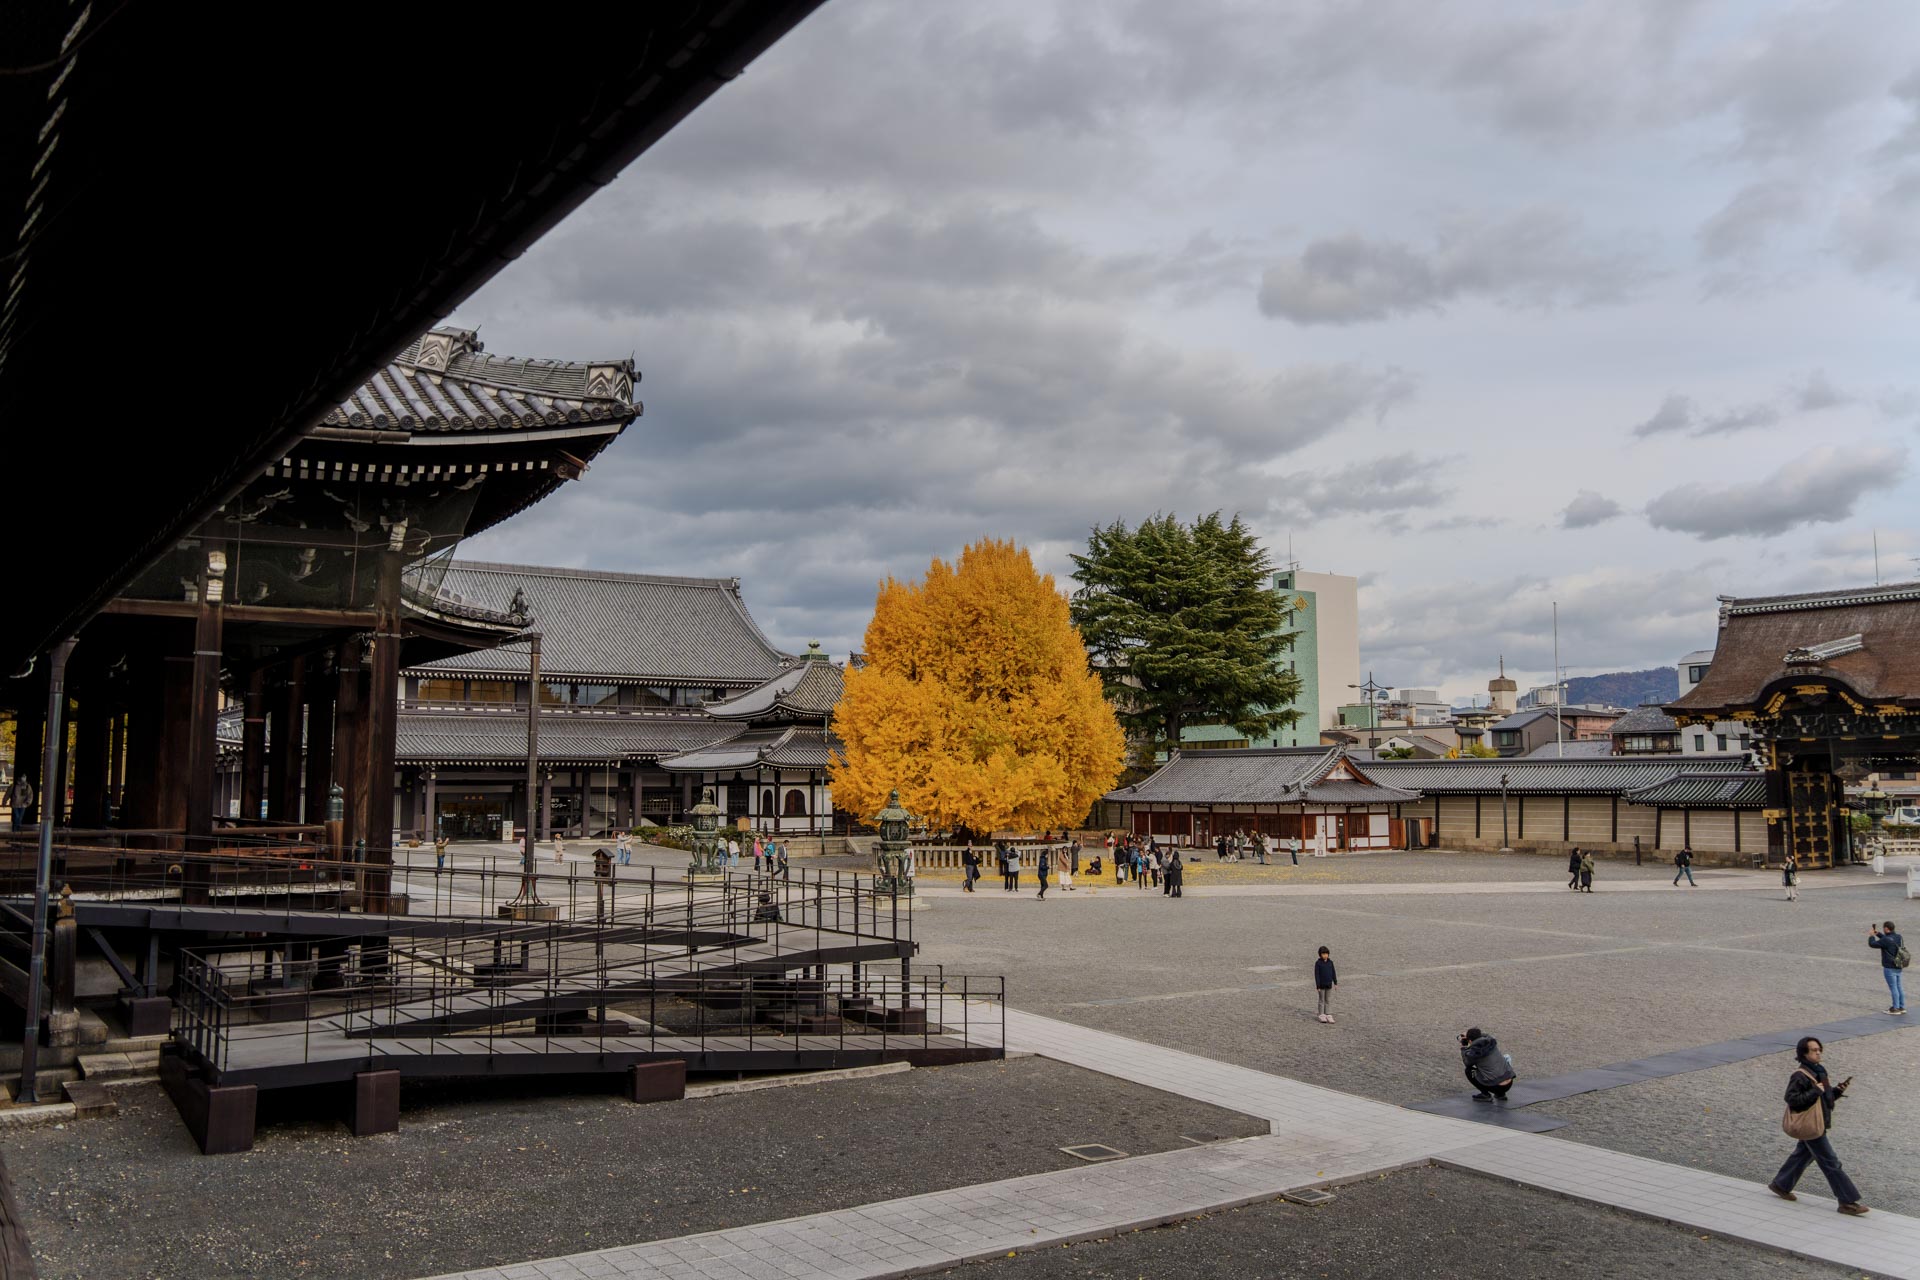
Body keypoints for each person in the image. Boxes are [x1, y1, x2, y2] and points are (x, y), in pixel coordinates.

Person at [1768, 1036, 1869, 1215]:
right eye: (1814, 1050)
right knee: (1831, 1162)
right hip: (1811, 1126)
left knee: (1803, 1154)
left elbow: (1823, 1098)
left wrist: (1836, 1091)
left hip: (1818, 1122)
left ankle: (1781, 1184)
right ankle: (1847, 1202)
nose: (1818, 1053)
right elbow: (1792, 1099)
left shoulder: (1819, 1071)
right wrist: (1815, 1091)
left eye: (1819, 1049)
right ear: (1804, 1053)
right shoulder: (1800, 1075)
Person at [1460, 1027, 1515, 1100]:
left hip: (1496, 1086)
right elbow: (1486, 1035)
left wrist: (1463, 1048)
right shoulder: (1491, 1041)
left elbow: (1467, 1063)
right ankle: (1501, 1095)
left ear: (1469, 1040)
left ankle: (1485, 1094)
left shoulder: (1474, 1052)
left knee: (1469, 1071)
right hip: (1509, 1081)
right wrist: (1473, 1035)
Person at [1867, 921, 1907, 1015]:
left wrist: (1871, 936)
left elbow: (1872, 944)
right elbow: (1889, 940)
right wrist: (1878, 934)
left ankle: (1895, 1008)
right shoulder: (1899, 937)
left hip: (1889, 967)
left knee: (1893, 987)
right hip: (1898, 964)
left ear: (1886, 928)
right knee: (1899, 986)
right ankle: (1901, 1007)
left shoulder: (1886, 940)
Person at [1313, 946, 1337, 1024]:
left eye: (1326, 954)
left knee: (1327, 1000)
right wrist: (1318, 985)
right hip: (1321, 985)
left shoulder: (1330, 962)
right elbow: (1317, 975)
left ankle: (1328, 1014)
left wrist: (1335, 982)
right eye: (1323, 954)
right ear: (1320, 954)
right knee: (1321, 1000)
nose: (1325, 955)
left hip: (1329, 984)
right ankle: (1321, 1014)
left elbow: (1333, 972)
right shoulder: (1318, 963)